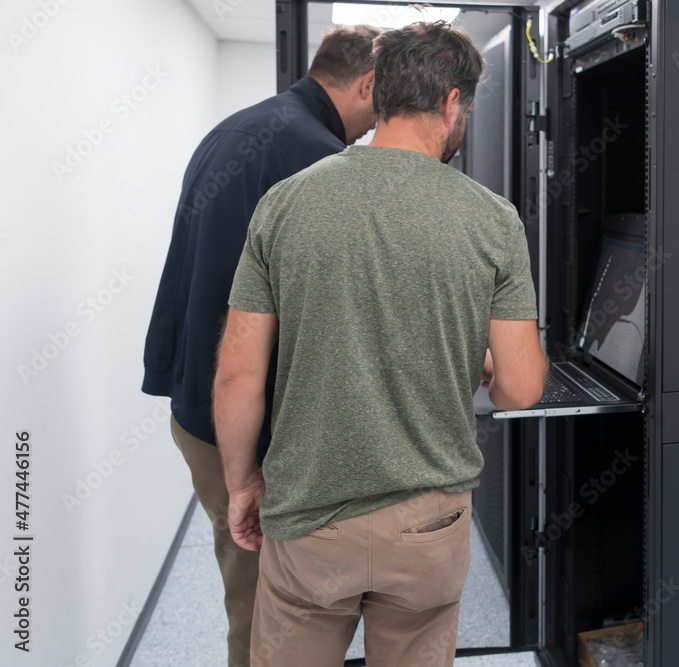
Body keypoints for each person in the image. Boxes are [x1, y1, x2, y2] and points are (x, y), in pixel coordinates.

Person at [212, 20, 549, 667]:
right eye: (467, 110)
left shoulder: (286, 203)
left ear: (383, 91)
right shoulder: (492, 219)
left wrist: (242, 483)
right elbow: (522, 386)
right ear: (453, 103)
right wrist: (480, 364)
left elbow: (237, 373)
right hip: (427, 527)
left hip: (309, 519)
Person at [140, 24, 381, 667]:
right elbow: (330, 311)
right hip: (248, 426)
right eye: (384, 106)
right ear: (368, 84)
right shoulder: (315, 156)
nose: (379, 126)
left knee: (249, 600)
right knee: (273, 622)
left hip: (199, 408)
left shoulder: (238, 127)